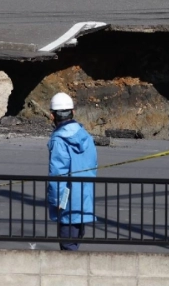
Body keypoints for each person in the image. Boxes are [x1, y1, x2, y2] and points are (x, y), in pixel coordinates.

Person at [46, 92, 98, 251]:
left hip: (67, 203)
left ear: (52, 116)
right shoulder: (85, 136)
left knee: (67, 246)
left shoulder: (59, 140)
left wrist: (56, 203)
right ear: (73, 112)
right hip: (84, 197)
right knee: (74, 242)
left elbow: (57, 175)